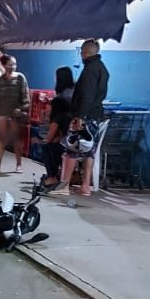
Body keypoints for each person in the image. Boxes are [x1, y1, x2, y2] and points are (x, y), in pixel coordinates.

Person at [52, 40, 110, 196]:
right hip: (95, 115)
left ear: (85, 52)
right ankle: (85, 186)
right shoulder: (102, 69)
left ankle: (64, 186)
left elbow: (87, 96)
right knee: (89, 151)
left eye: (82, 52)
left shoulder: (90, 70)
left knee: (72, 149)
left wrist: (80, 117)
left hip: (86, 116)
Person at [0, 54, 30, 174]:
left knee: (17, 140)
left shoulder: (20, 78)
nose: (13, 67)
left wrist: (21, 109)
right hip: (1, 115)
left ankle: (19, 165)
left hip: (15, 115)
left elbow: (26, 98)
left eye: (14, 64)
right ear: (4, 65)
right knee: (0, 140)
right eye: (10, 64)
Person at [39, 96, 72, 190]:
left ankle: (51, 176)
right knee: (53, 147)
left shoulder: (57, 118)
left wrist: (39, 141)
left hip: (65, 147)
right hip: (74, 146)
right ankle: (56, 176)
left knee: (46, 148)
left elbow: (49, 138)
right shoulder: (69, 115)